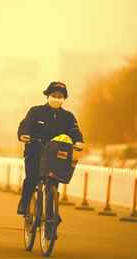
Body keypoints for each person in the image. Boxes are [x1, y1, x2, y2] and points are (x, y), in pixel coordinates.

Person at [17, 82, 84, 215]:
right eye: (54, 95)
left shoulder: (68, 117)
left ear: (64, 99)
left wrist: (79, 141)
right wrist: (24, 135)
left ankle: (51, 214)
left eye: (60, 96)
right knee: (32, 178)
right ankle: (24, 204)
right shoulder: (36, 112)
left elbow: (75, 131)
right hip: (35, 151)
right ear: (48, 96)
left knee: (53, 181)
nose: (57, 98)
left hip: (56, 155)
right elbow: (25, 125)